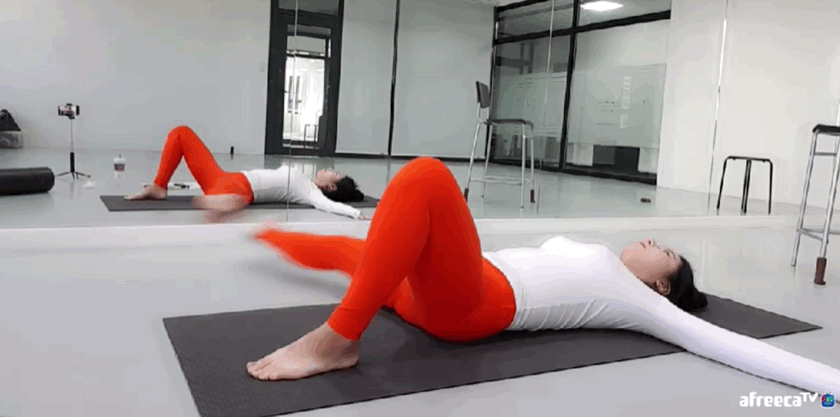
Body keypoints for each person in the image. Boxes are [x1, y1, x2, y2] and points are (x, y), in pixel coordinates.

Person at [244, 157, 840, 393]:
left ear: (662, 284)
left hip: (472, 305)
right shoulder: (606, 261)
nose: (653, 241)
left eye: (665, 252)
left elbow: (721, 342)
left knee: (424, 177)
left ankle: (339, 339)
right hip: (444, 290)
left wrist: (829, 383)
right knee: (354, 252)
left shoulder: (639, 301)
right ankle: (263, 233)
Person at [125, 125, 368, 221]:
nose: (328, 169)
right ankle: (159, 186)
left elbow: (327, 205)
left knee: (235, 196)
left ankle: (230, 203)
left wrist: (355, 213)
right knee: (181, 133)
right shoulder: (305, 183)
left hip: (240, 188)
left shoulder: (309, 191)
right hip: (223, 179)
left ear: (331, 186)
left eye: (334, 173)